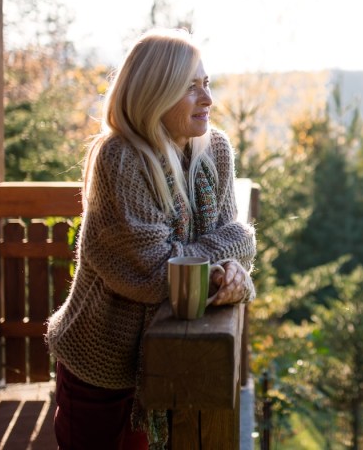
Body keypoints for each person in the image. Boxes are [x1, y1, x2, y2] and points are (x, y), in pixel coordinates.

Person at [46, 28, 256, 450]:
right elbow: (155, 273)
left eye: (207, 84)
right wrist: (225, 255)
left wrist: (231, 270)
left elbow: (234, 243)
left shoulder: (214, 149)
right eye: (190, 88)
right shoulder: (120, 158)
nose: (208, 100)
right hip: (104, 368)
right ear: (154, 94)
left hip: (175, 356)